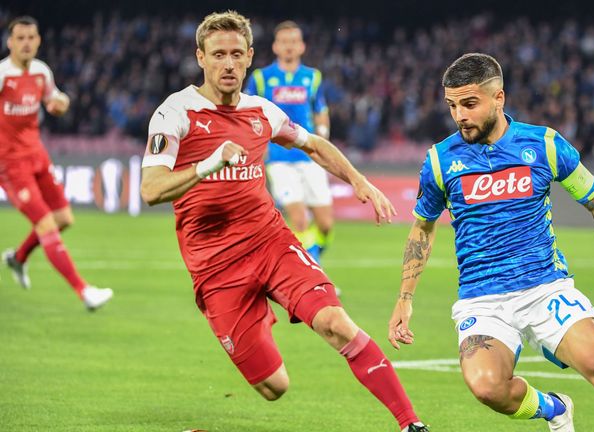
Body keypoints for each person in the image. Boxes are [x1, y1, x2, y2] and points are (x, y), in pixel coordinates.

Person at [139, 11, 427, 432]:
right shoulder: (175, 113)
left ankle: (411, 423)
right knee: (274, 386)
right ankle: (260, 312)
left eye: (237, 54)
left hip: (270, 242)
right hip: (216, 267)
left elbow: (312, 143)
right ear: (200, 57)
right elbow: (151, 190)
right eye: (218, 54)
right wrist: (206, 164)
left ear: (251, 57)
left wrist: (359, 180)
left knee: (335, 323)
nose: (228, 64)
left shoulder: (262, 110)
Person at [388, 53, 594, 432]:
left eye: (470, 104)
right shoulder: (440, 160)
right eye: (452, 105)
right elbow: (422, 228)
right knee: (488, 387)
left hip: (545, 288)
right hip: (482, 297)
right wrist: (405, 298)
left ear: (499, 98)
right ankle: (555, 409)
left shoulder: (545, 145)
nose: (460, 116)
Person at [0, 16, 112, 310]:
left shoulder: (40, 72)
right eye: (20, 38)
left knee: (64, 218)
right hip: (10, 165)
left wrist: (61, 103)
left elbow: (55, 99)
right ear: (10, 42)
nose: (26, 43)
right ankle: (84, 291)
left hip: (37, 155)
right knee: (46, 223)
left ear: (38, 41)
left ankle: (18, 258)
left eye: (31, 38)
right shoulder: (3, 76)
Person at [244, 20, 333, 264]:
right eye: (284, 42)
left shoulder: (312, 77)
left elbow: (320, 108)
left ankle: (312, 258)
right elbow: (248, 113)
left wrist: (323, 132)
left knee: (325, 224)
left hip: (310, 155)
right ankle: (313, 271)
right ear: (275, 47)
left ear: (302, 46)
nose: (289, 47)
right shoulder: (261, 78)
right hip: (279, 158)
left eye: (294, 41)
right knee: (300, 220)